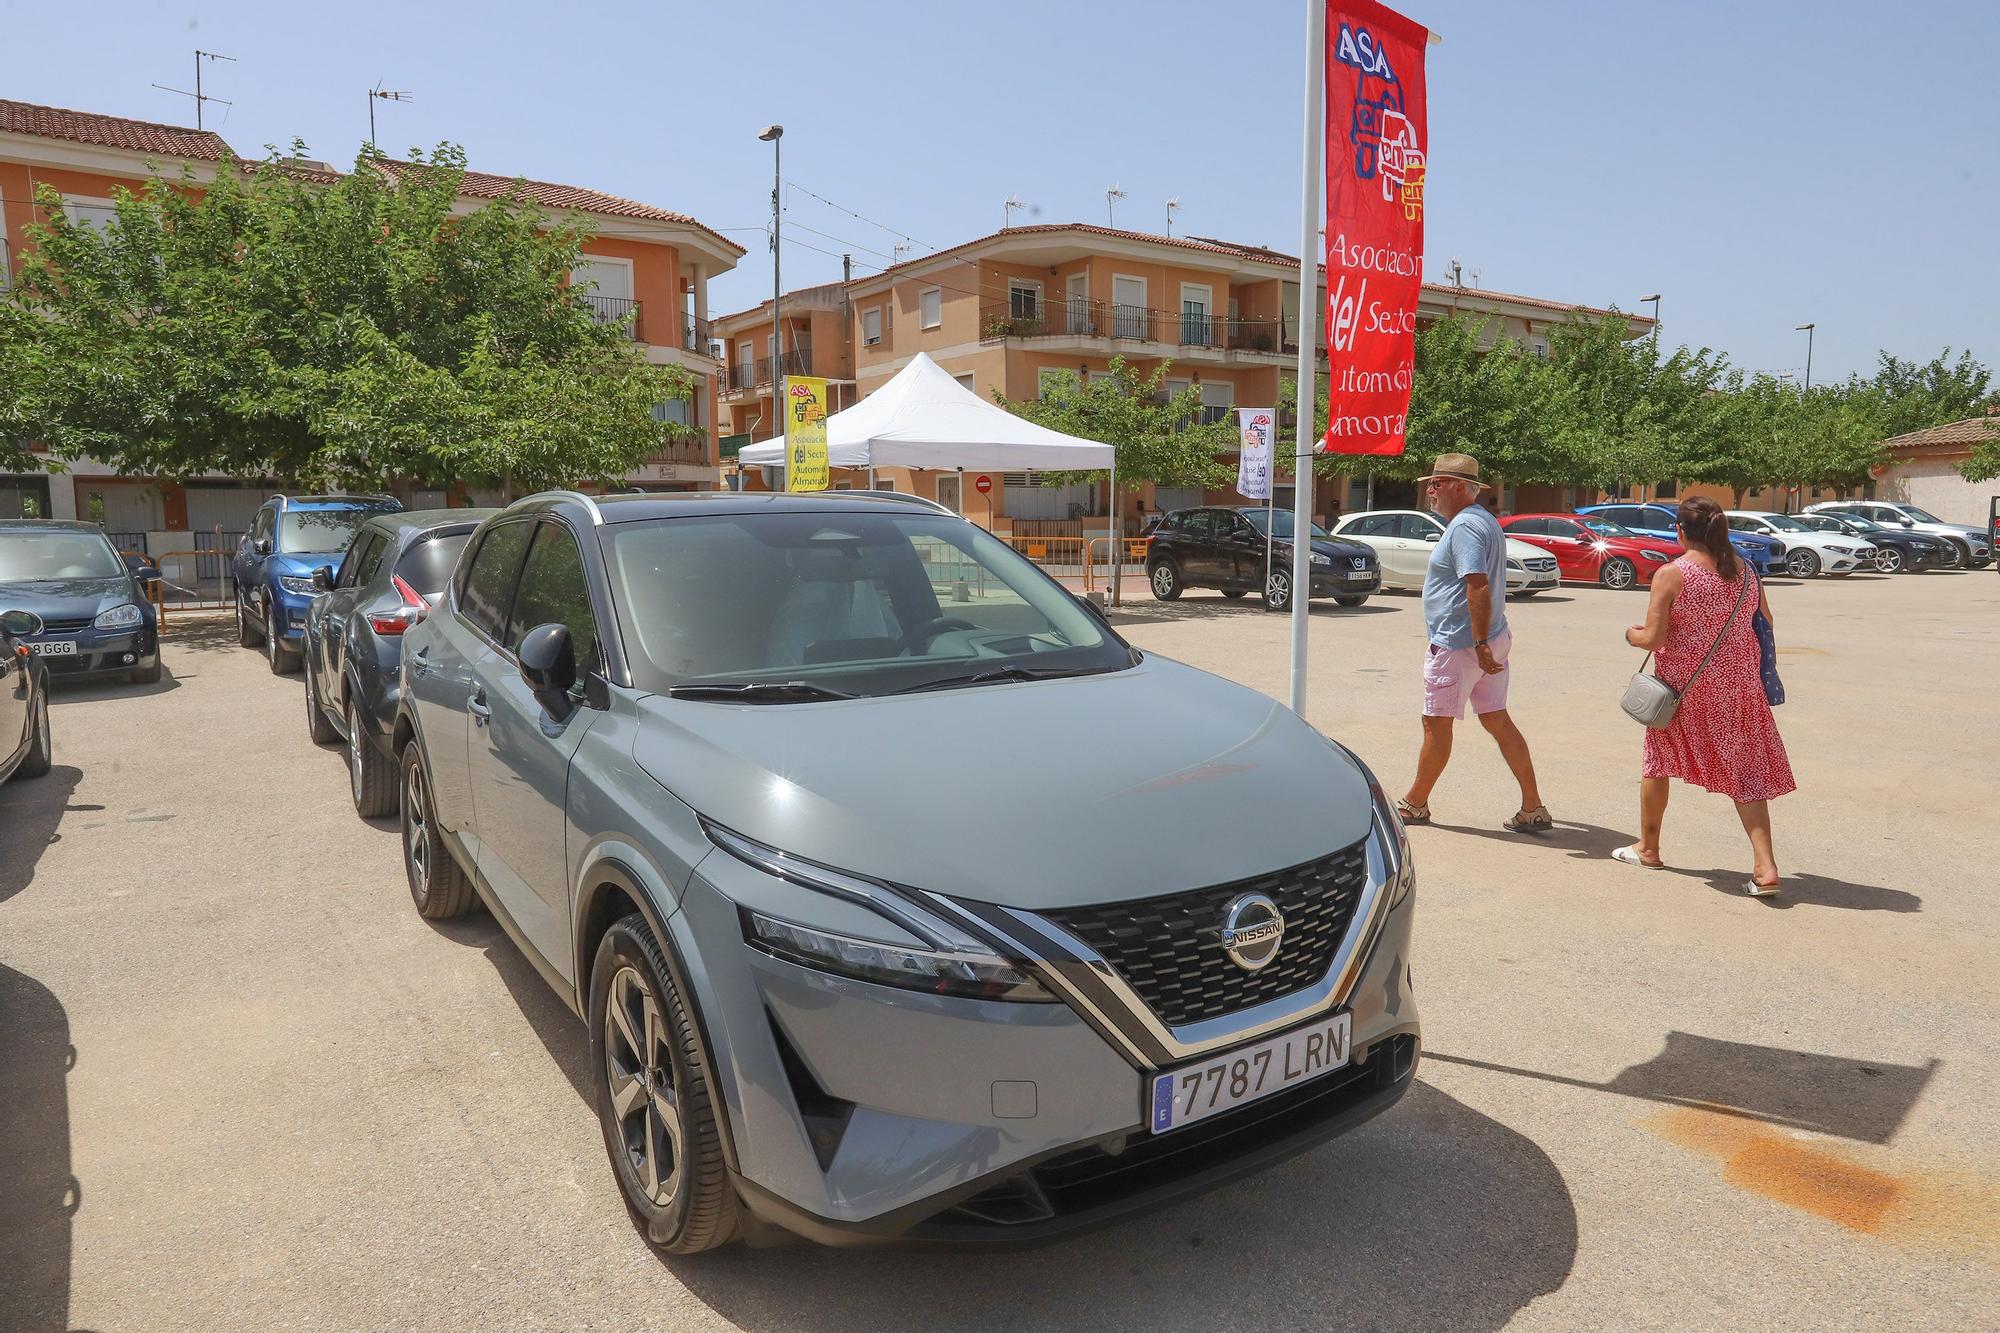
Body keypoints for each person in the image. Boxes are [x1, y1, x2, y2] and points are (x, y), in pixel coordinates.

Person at [1614, 495, 1795, 895]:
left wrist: (1630, 634)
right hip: (1741, 689)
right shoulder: (1745, 570)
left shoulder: (1672, 574)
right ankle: (1765, 867)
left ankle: (1648, 848)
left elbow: (1653, 637)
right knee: (1745, 774)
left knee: (1657, 763)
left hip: (1685, 692)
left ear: (1680, 531)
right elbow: (1764, 620)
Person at [1396, 453, 1550, 832]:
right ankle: (1533, 807)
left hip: (1462, 644)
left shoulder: (1465, 526)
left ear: (1462, 488)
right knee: (1497, 719)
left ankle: (1415, 804)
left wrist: (1479, 642)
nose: (1430, 489)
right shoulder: (1484, 521)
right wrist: (1486, 641)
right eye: (1430, 483)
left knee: (1436, 724)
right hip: (1489, 638)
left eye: (1438, 482)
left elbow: (1476, 583)